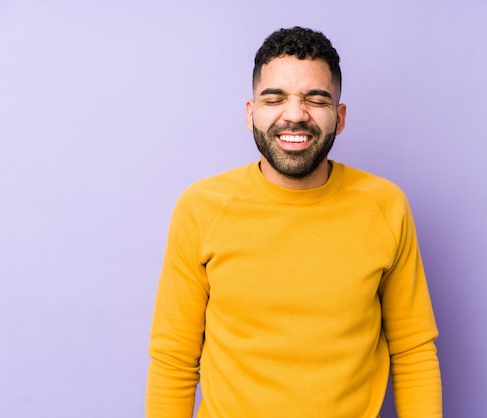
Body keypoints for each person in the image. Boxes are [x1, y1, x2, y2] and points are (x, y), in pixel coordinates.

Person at [145, 26, 442, 418]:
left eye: (315, 99)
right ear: (251, 114)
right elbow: (174, 360)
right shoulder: (201, 208)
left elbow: (413, 350)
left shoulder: (385, 206)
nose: (295, 114)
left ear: (340, 116)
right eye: (275, 98)